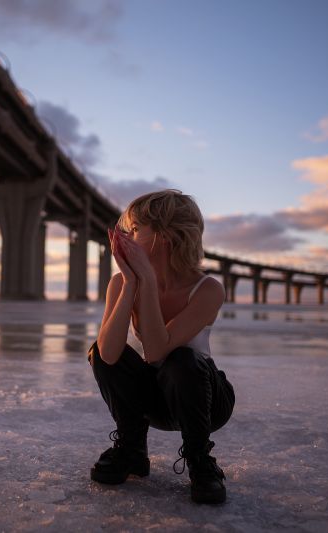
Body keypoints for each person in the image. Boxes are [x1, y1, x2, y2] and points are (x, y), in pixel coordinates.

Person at [87, 189, 235, 504]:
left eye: (136, 229)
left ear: (164, 236)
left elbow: (157, 351)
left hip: (204, 401)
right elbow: (108, 356)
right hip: (154, 398)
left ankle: (200, 459)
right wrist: (130, 283)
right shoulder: (121, 282)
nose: (126, 237)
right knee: (97, 349)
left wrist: (148, 283)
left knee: (181, 358)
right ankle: (132, 449)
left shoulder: (207, 289)